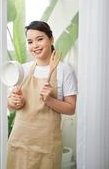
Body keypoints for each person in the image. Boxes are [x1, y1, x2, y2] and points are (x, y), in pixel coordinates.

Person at [7, 21, 78, 169]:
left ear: (51, 39)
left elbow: (71, 108)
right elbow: (11, 104)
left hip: (46, 146)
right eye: (30, 42)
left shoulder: (64, 70)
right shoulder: (23, 70)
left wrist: (49, 100)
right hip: (20, 141)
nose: (35, 45)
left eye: (40, 39)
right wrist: (13, 102)